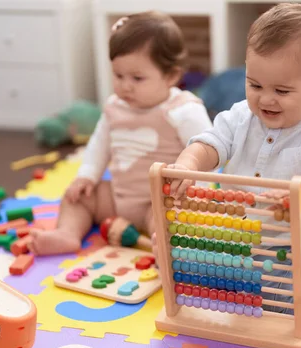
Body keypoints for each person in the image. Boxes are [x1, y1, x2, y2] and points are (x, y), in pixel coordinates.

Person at [166, 3, 301, 313]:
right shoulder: (240, 117)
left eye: (282, 91)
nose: (265, 98)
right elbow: (210, 144)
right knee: (198, 275)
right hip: (239, 238)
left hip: (295, 246)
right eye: (254, 85)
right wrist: (189, 164)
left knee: (282, 301)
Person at [29, 11, 213, 255]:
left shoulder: (182, 110)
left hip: (159, 200)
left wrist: (194, 194)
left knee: (173, 218)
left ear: (171, 76)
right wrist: (86, 176)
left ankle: (164, 245)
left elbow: (207, 148)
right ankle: (67, 233)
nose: (125, 85)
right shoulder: (115, 107)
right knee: (79, 196)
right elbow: (99, 144)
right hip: (117, 196)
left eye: (137, 78)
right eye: (118, 75)